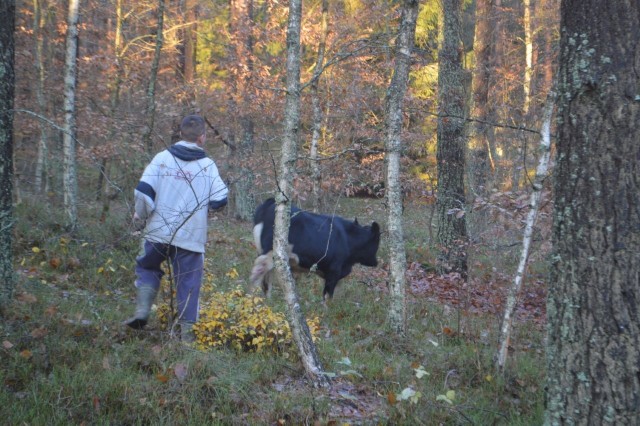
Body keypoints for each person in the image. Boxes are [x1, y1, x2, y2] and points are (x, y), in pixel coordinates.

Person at [124, 115, 228, 342]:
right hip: (191, 236)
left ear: (180, 134)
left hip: (157, 232)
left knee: (147, 266)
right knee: (189, 284)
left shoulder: (161, 159)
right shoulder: (207, 165)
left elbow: (143, 191)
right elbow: (221, 198)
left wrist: (140, 215)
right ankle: (187, 339)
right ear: (202, 137)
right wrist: (206, 206)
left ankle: (142, 311)